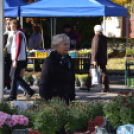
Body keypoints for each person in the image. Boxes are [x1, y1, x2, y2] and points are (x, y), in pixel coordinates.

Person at [39, 33, 75, 105]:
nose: (67, 46)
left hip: (65, 97)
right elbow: (43, 81)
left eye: (68, 44)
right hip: (53, 98)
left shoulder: (69, 61)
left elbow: (72, 81)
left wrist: (72, 99)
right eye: (64, 44)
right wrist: (44, 100)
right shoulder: (50, 61)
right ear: (56, 46)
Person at [6, 19, 35, 101]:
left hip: (18, 59)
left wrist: (15, 60)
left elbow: (18, 47)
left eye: (14, 25)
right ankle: (30, 91)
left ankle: (13, 95)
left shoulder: (18, 34)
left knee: (14, 77)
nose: (12, 26)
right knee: (15, 76)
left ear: (17, 26)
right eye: (11, 24)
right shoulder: (16, 33)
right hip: (18, 58)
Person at [81, 25, 109, 92]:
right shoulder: (104, 37)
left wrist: (95, 59)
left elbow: (96, 49)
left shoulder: (96, 37)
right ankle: (106, 87)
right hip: (103, 57)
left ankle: (87, 86)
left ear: (95, 30)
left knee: (91, 71)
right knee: (104, 72)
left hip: (96, 57)